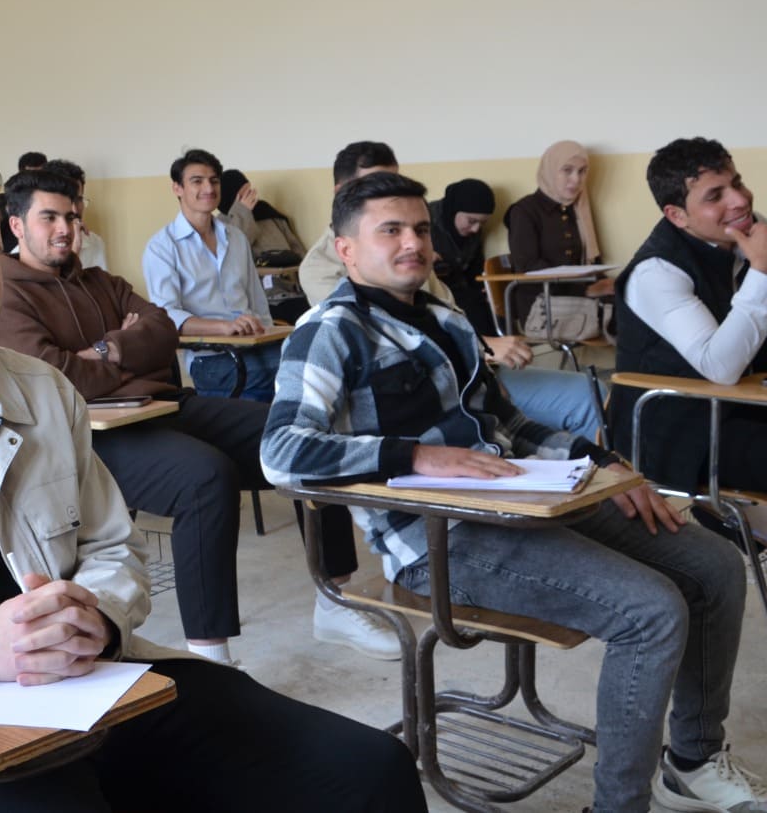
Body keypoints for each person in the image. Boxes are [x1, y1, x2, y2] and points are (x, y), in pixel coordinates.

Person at [0, 153, 426, 813]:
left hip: (96, 683)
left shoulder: (44, 392)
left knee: (371, 769)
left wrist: (97, 616)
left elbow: (115, 549)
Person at [261, 171, 762, 813]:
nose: (412, 243)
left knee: (715, 564)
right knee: (651, 610)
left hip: (521, 501)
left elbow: (511, 426)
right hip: (437, 540)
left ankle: (691, 763)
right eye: (390, 230)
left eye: (420, 228)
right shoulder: (329, 331)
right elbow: (281, 453)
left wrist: (605, 465)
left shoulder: (447, 319)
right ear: (346, 249)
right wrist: (415, 454)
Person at [0, 168, 393, 661]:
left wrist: (102, 351)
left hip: (162, 404)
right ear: (17, 225)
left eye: (71, 216)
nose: (65, 228)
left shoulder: (100, 281)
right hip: (91, 434)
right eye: (49, 218)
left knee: (304, 433)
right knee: (204, 478)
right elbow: (58, 377)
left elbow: (163, 329)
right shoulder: (7, 293)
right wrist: (124, 347)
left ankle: (334, 601)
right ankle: (210, 653)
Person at [299, 142, 602, 442]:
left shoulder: (410, 255)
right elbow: (380, 340)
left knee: (592, 394)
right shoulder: (320, 278)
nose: (392, 194)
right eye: (376, 184)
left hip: (470, 371)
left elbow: (450, 313)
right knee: (576, 405)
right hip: (421, 393)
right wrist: (482, 349)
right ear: (342, 194)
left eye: (421, 230)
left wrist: (479, 362)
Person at [612, 137, 767, 493]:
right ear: (677, 215)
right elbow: (720, 366)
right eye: (715, 196)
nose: (740, 200)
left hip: (746, 402)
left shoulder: (748, 233)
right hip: (682, 431)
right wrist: (761, 270)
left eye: (737, 182)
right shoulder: (656, 272)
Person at [143, 148, 280, 402]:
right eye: (197, 181)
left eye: (214, 181)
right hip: (210, 356)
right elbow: (167, 315)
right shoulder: (162, 247)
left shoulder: (236, 237)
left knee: (306, 363)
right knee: (279, 378)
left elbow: (257, 300)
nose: (208, 188)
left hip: (254, 346)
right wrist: (223, 327)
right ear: (177, 188)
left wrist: (270, 336)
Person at [504, 140, 613, 328]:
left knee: (633, 297)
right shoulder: (524, 211)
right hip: (541, 306)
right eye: (567, 170)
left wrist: (606, 284)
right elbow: (529, 267)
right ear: (550, 170)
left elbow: (589, 261)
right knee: (624, 314)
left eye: (582, 171)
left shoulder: (578, 209)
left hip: (578, 298)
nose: (576, 179)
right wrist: (585, 290)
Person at [218, 167, 308, 324]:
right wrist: (242, 212)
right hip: (261, 297)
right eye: (244, 195)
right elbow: (236, 248)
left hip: (290, 289)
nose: (251, 197)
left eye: (250, 191)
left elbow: (296, 250)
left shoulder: (268, 213)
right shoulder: (222, 224)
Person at [429, 179, 498, 333]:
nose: (476, 229)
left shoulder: (473, 231)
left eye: (482, 223)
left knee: (491, 307)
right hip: (433, 293)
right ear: (454, 210)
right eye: (471, 221)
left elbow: (475, 269)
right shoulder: (424, 221)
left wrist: (487, 289)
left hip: (461, 290)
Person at [44, 158, 109, 271]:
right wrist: (73, 252)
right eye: (66, 200)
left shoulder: (94, 242)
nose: (74, 210)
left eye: (78, 199)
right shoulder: (28, 251)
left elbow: (103, 282)